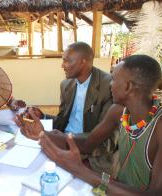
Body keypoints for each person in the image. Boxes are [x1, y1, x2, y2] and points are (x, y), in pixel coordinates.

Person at [15, 55, 162, 195]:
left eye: (114, 79)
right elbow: (89, 143)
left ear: (128, 87)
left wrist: (81, 170)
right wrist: (43, 134)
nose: (110, 85)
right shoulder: (119, 111)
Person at [24, 42, 117, 175]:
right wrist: (43, 116)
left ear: (82, 62)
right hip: (62, 141)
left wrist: (63, 139)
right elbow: (63, 120)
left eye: (66, 61)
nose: (62, 65)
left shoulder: (108, 85)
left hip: (89, 151)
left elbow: (106, 140)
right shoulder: (66, 84)